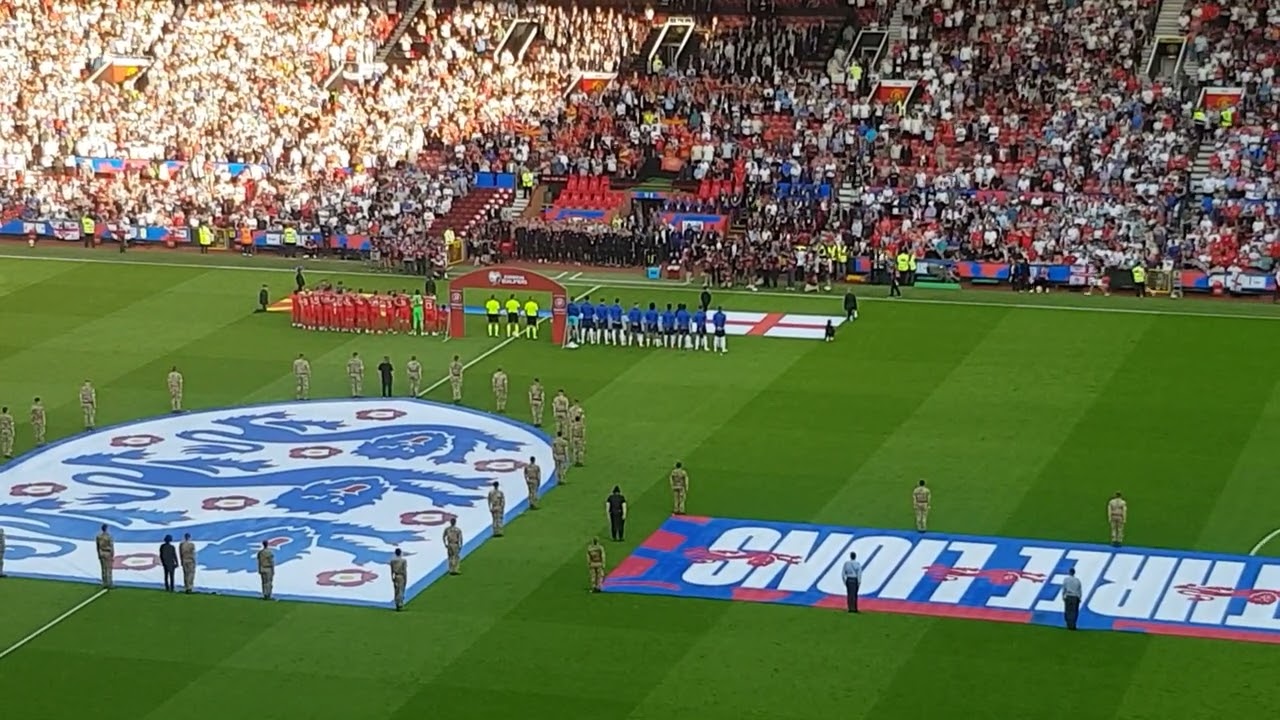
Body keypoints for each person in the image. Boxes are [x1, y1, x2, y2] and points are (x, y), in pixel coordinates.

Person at [95, 524, 114, 589]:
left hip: (101, 552)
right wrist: (112, 555)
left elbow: (97, 546)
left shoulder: (98, 536)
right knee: (108, 569)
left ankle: (104, 582)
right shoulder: (109, 536)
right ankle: (109, 583)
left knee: (103, 569)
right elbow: (111, 546)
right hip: (107, 553)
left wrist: (98, 554)